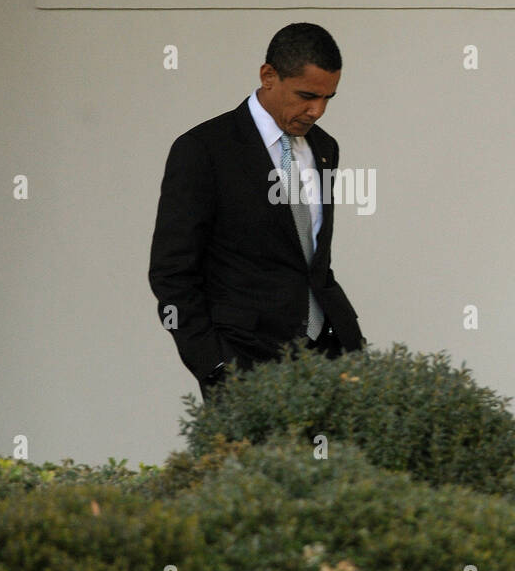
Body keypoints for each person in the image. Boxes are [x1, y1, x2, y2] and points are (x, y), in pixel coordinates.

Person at [148, 22, 365, 400]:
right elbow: (172, 273)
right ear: (268, 76)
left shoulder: (325, 148)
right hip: (244, 364)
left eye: (329, 98)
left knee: (333, 461)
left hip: (331, 357)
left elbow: (311, 260)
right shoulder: (204, 150)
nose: (317, 110)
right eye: (306, 95)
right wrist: (214, 364)